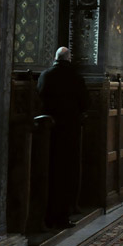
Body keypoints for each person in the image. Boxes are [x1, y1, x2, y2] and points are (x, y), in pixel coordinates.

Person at [38, 47, 90, 229]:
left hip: (48, 131)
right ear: (69, 59)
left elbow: (39, 98)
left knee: (49, 172)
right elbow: (85, 103)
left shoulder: (45, 75)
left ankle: (46, 216)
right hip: (70, 131)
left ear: (55, 58)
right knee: (67, 174)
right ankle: (63, 215)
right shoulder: (75, 77)